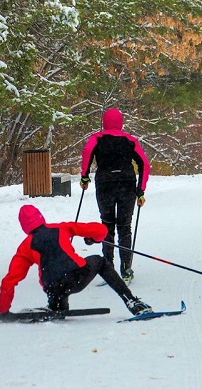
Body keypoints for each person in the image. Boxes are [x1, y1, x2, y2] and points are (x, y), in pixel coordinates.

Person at [0, 205, 152, 316]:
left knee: (56, 285)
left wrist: (3, 309)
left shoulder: (25, 246)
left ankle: (56, 307)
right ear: (41, 218)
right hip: (76, 277)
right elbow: (101, 230)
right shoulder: (61, 227)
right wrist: (93, 238)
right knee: (100, 261)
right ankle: (131, 301)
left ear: (24, 227)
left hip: (53, 288)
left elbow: (9, 281)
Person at [80, 108, 150, 282]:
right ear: (121, 122)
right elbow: (144, 164)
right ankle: (126, 268)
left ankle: (108, 268)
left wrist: (84, 176)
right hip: (127, 184)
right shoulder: (130, 140)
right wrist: (140, 190)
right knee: (125, 226)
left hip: (105, 184)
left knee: (107, 224)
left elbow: (87, 153)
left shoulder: (97, 138)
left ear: (104, 122)